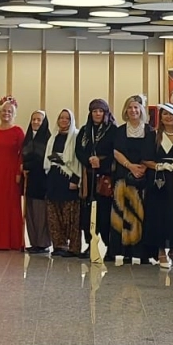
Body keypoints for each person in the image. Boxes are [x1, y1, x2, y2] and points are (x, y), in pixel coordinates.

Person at [108, 95, 156, 265]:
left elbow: (152, 153)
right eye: (130, 107)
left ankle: (144, 254)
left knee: (143, 214)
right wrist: (130, 166)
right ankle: (125, 252)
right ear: (125, 111)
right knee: (122, 213)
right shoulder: (120, 130)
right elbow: (116, 152)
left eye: (136, 107)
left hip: (144, 176)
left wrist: (141, 168)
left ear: (141, 110)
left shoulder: (150, 131)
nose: (133, 110)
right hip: (123, 175)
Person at [77, 99, 116, 262]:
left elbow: (116, 152)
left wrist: (101, 162)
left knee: (104, 214)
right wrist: (88, 160)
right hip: (89, 177)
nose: (97, 114)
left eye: (101, 111)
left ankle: (109, 247)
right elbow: (79, 150)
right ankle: (90, 244)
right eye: (94, 111)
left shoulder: (112, 130)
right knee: (87, 213)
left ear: (106, 113)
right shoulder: (85, 130)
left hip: (105, 177)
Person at [0, 96, 26, 251]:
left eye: (9, 111)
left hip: (11, 174)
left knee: (11, 206)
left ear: (14, 113)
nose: (6, 113)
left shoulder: (18, 131)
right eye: (4, 111)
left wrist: (18, 172)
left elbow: (22, 154)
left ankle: (13, 241)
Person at [145, 103, 173, 268]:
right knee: (159, 215)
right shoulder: (153, 136)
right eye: (165, 114)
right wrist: (159, 166)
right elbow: (144, 158)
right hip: (158, 180)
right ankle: (160, 252)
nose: (168, 117)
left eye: (171, 114)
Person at [45, 108, 83, 257]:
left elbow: (78, 160)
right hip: (54, 178)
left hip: (69, 179)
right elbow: (49, 158)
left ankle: (73, 247)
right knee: (54, 214)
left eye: (67, 118)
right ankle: (59, 245)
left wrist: (76, 179)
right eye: (61, 118)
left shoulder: (76, 136)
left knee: (71, 216)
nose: (64, 120)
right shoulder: (53, 137)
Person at [21, 109, 52, 254]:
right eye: (33, 119)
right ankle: (33, 242)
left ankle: (43, 243)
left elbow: (42, 159)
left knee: (41, 213)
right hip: (29, 180)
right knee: (30, 211)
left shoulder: (48, 138)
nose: (35, 122)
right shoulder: (27, 138)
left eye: (39, 120)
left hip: (42, 181)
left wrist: (26, 166)